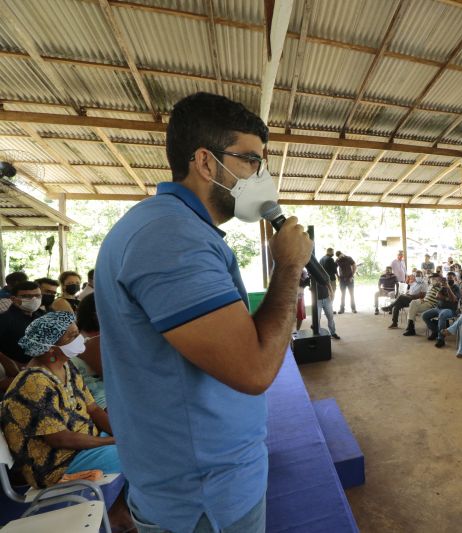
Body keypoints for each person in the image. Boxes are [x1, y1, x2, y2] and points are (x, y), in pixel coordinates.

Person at [94, 92, 314, 531]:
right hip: (203, 498)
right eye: (251, 161)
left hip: (200, 482)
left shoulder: (177, 228)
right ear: (206, 163)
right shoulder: (171, 237)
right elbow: (253, 370)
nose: (262, 176)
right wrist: (289, 267)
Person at [1, 312, 131, 529]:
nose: (80, 338)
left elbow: (93, 408)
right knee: (134, 451)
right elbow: (60, 439)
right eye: (71, 336)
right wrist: (113, 441)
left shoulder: (65, 367)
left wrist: (120, 433)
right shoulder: (34, 382)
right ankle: (120, 515)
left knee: (137, 438)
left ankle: (119, 512)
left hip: (83, 447)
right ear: (51, 349)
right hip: (57, 464)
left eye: (76, 332)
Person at [73, 293, 106, 409]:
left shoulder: (94, 336)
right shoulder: (91, 340)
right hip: (100, 400)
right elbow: (112, 376)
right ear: (95, 315)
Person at [0, 281, 44, 364]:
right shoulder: (4, 320)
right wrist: (11, 366)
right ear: (13, 299)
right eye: (26, 296)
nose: (33, 299)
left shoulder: (42, 315)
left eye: (37, 296)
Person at [423, 272, 460, 346]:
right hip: (439, 308)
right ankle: (436, 331)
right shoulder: (443, 287)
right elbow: (437, 296)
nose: (449, 279)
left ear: (454, 278)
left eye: (450, 278)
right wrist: (447, 298)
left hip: (450, 310)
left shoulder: (456, 288)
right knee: (424, 315)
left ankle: (441, 339)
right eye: (448, 278)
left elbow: (454, 300)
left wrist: (448, 288)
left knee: (442, 315)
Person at [316, 276, 340, 340]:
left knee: (330, 317)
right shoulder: (310, 275)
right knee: (317, 319)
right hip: (316, 300)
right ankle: (317, 334)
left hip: (326, 298)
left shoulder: (323, 274)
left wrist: (332, 293)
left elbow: (328, 284)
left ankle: (333, 333)